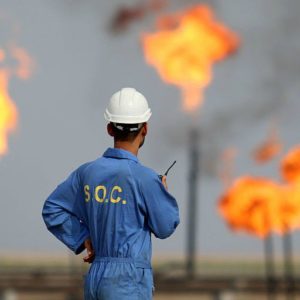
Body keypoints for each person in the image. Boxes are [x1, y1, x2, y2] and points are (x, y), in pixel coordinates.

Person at [42, 87, 180, 300]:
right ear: (145, 129)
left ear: (109, 129)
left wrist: (82, 238)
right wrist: (162, 194)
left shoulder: (86, 173)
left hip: (96, 276)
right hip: (128, 281)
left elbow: (52, 209)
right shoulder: (146, 178)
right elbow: (165, 227)